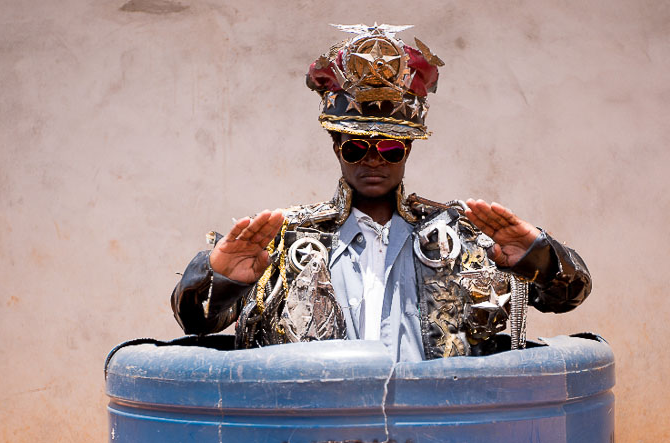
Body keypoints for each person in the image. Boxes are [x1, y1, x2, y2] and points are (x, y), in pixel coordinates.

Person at [172, 23, 591, 362]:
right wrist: (219, 278)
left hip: (435, 436)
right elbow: (196, 322)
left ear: (406, 150)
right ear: (337, 147)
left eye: (389, 148)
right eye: (357, 147)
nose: (373, 160)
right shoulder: (284, 240)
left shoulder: (462, 237)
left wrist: (535, 255)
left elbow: (570, 295)